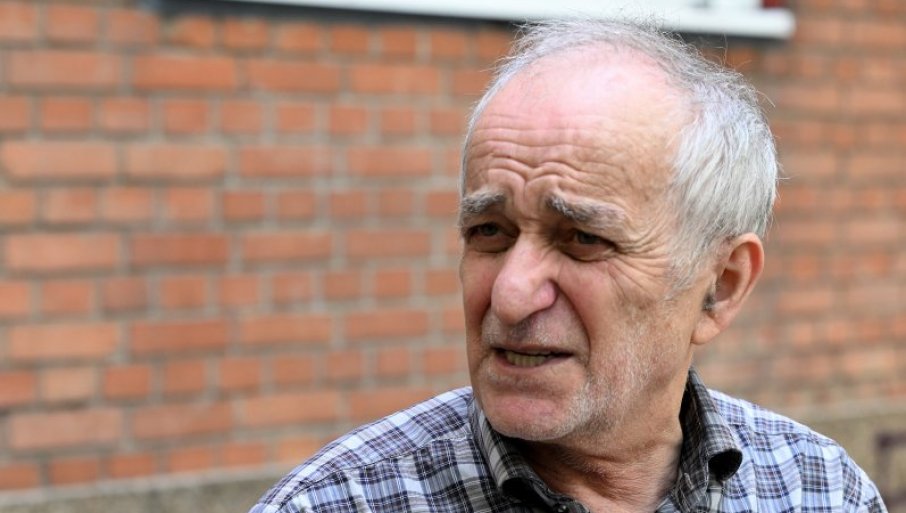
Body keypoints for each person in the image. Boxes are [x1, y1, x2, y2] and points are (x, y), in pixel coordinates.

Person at [250, 18, 887, 513]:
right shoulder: (338, 502)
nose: (510, 294)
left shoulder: (818, 488)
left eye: (583, 238)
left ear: (719, 287)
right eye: (489, 232)